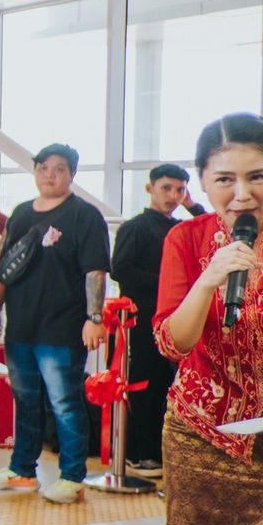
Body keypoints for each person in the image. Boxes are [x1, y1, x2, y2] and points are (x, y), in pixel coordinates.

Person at [152, 113, 263, 525]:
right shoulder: (188, 241)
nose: (242, 193)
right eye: (225, 179)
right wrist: (211, 277)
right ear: (202, 182)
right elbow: (174, 341)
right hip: (204, 442)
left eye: (257, 176)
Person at [0, 144, 110, 504]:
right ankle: (22, 470)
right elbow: (6, 267)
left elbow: (95, 271)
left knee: (65, 403)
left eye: (59, 169)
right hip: (21, 326)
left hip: (62, 328)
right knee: (26, 399)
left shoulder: (85, 216)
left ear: (72, 175)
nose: (50, 175)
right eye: (43, 168)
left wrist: (94, 318)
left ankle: (72, 477)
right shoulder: (21, 213)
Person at [108, 163, 192, 477]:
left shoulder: (181, 229)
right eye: (166, 188)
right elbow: (121, 270)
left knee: (165, 386)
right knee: (143, 383)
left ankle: (155, 451)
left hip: (173, 320)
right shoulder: (136, 228)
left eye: (180, 190)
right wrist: (169, 282)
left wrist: (193, 205)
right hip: (140, 321)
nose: (173, 195)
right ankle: (137, 453)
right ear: (150, 189)